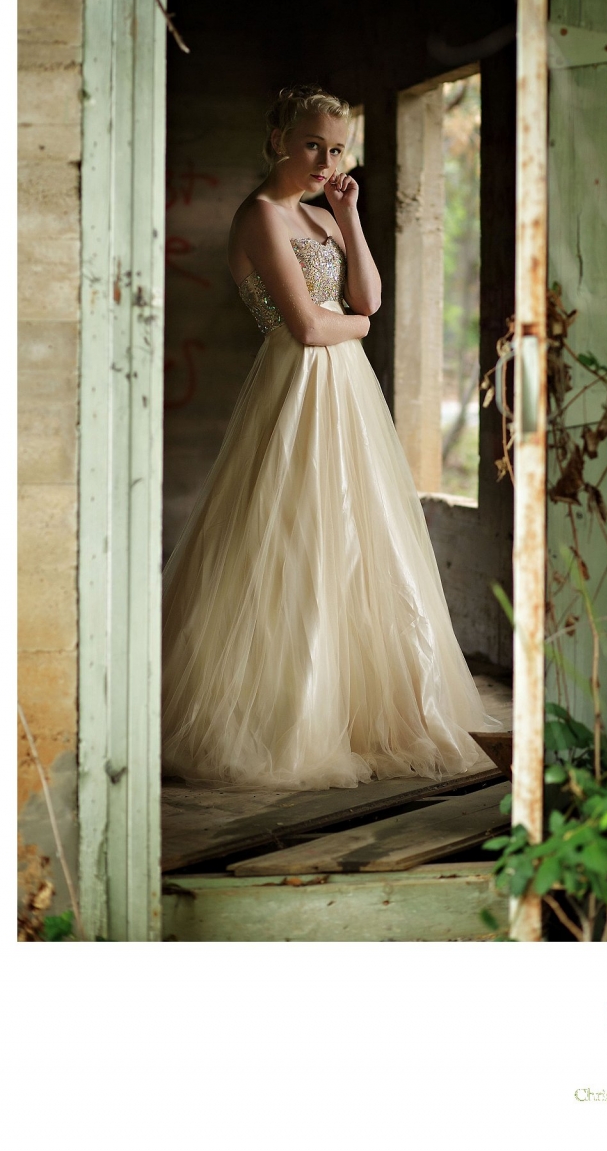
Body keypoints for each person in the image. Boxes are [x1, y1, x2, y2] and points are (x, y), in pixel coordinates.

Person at [161, 84, 496, 789]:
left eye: (337, 147)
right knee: (293, 537)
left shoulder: (324, 211)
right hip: (298, 384)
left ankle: (359, 707)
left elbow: (369, 297)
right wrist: (361, 328)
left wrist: (348, 216)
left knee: (358, 534)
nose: (325, 158)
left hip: (346, 390)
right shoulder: (260, 215)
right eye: (313, 142)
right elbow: (311, 328)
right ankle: (291, 710)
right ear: (279, 135)